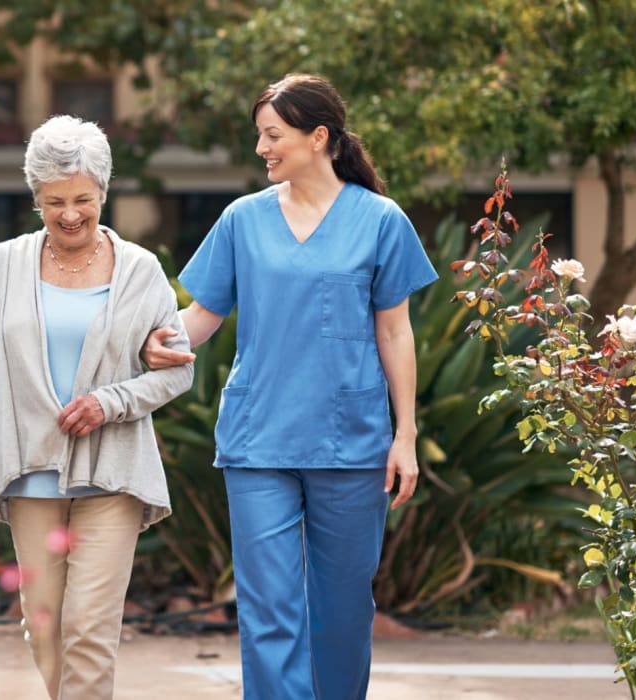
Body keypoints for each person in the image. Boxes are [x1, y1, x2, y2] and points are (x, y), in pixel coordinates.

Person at [142, 74, 438, 699]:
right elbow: (200, 316)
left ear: (318, 137)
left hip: (351, 442)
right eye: (260, 137)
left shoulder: (380, 220)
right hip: (259, 441)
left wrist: (405, 435)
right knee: (268, 612)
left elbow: (395, 334)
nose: (262, 150)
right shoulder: (241, 220)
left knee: (343, 613)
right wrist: (152, 343)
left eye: (272, 136)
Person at [0, 114, 193, 700]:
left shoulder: (140, 270)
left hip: (113, 472)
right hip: (29, 472)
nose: (70, 214)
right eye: (54, 202)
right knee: (45, 627)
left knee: (90, 629)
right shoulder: (5, 264)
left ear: (103, 191)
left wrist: (111, 402)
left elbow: (178, 374)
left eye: (83, 199)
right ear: (36, 199)